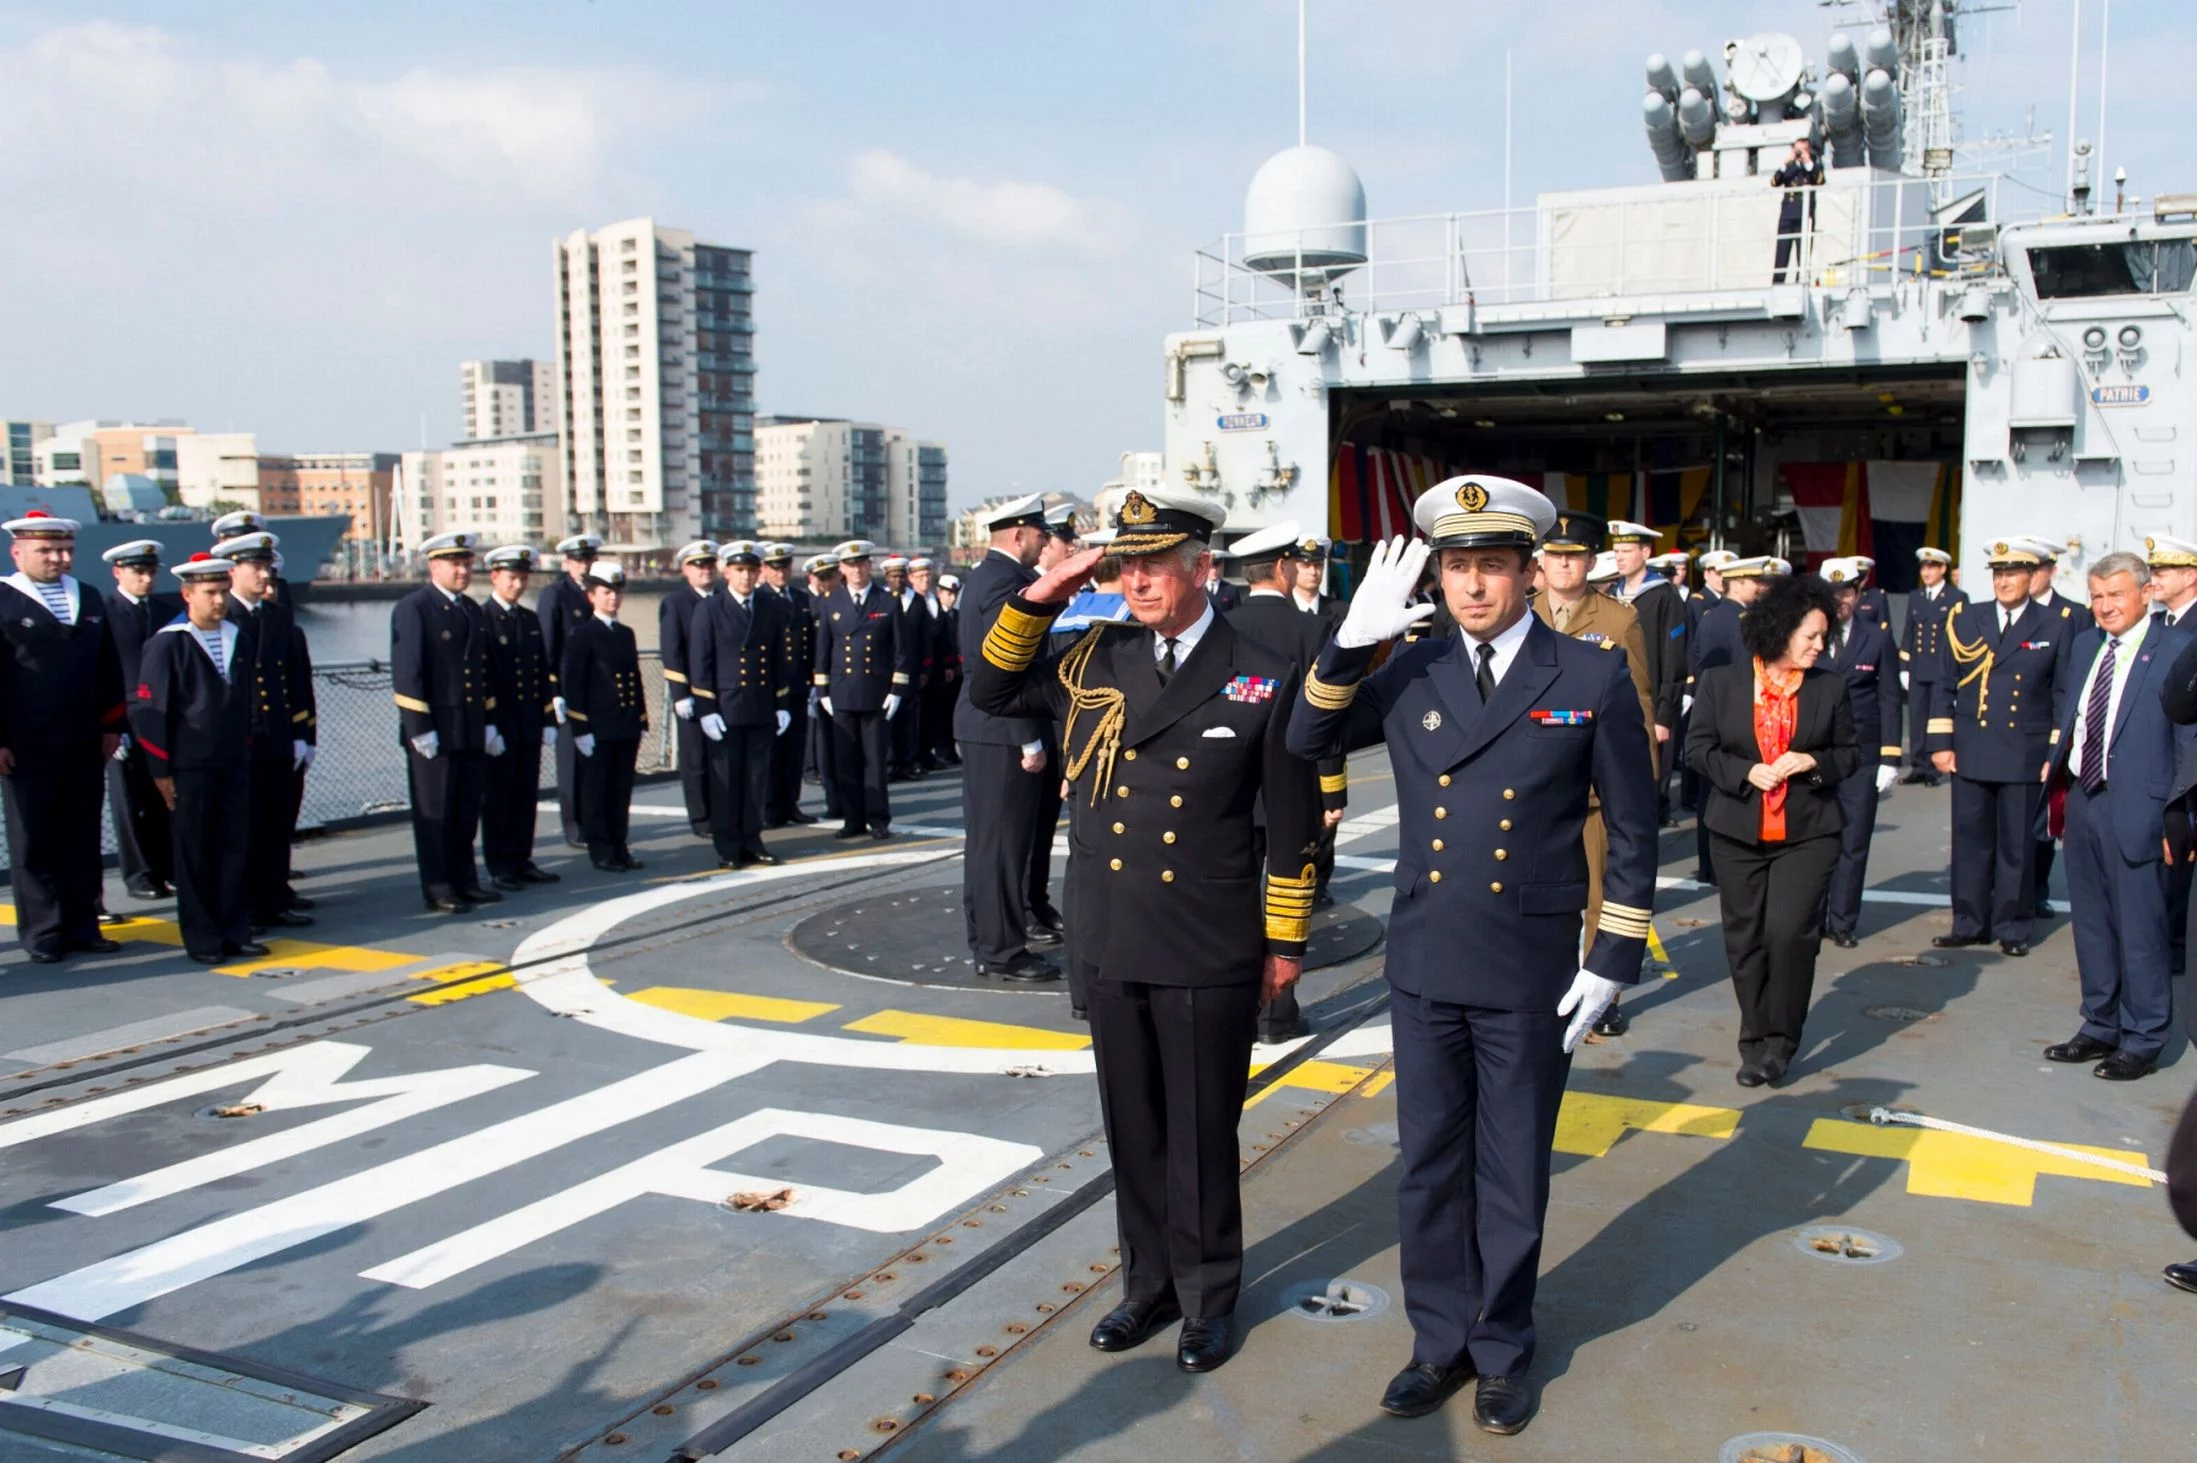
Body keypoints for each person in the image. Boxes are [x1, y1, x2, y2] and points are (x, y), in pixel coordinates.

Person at [1287, 477, 1657, 1435]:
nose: (1474, 585)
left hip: (1530, 965)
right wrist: (1350, 640)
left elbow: (1632, 823)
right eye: (1457, 567)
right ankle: (1435, 1341)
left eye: (1492, 565)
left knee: (1511, 1168)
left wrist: (1613, 950)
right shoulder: (1411, 669)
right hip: (1425, 957)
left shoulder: (1588, 674)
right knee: (1427, 1165)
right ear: (1439, 578)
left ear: (1529, 572)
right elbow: (1305, 734)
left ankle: (1499, 1347)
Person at [970, 484, 1320, 1379]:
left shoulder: (1259, 668)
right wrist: (1044, 591)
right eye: (1126, 566)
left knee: (1200, 1131)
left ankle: (1206, 1297)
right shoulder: (1095, 653)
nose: (1137, 581)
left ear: (1201, 568)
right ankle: (1147, 1285)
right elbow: (990, 685)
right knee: (1132, 1127)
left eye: (1155, 565)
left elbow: (1291, 822)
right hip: (1111, 927)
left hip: (1205, 932)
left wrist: (1285, 944)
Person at [1686, 572, 1856, 1085]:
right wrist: (1744, 772)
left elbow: (1849, 754)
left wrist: (1811, 761)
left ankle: (1781, 1041)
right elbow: (1697, 750)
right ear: (1780, 630)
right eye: (1810, 635)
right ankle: (1754, 1038)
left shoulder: (1829, 687)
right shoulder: (1723, 683)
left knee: (1788, 934)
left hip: (1808, 832)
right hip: (1737, 830)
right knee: (1745, 939)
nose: (1819, 646)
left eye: (1824, 636)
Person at [2043, 552, 2192, 1081]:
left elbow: (2188, 741)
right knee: (2091, 923)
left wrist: (2180, 816)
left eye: (2116, 595)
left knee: (2140, 928)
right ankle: (2099, 1023)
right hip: (2084, 799)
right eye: (2098, 596)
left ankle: (2144, 1036)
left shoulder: (2177, 650)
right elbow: (2076, 716)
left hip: (2140, 807)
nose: (2105, 606)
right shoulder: (2087, 645)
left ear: (2146, 594)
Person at [1224, 521, 1354, 1044]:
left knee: (1231, 901)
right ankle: (1276, 1014)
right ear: (1283, 568)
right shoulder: (1311, 631)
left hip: (1227, 786)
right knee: (1284, 899)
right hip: (1291, 784)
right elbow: (1326, 717)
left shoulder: (1219, 625)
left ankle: (1232, 1004)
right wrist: (1333, 789)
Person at [1532, 510, 1657, 1037]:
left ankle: (1601, 995)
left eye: (1575, 556)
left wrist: (1640, 787)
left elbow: (1640, 704)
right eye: (1555, 555)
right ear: (1541, 560)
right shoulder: (1520, 611)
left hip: (1591, 787)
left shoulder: (1618, 620)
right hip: (1530, 784)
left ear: (1590, 561)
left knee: (1599, 898)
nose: (1564, 565)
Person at [1926, 538, 2076, 957]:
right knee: (1970, 840)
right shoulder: (1966, 618)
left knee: (2017, 846)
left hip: (2025, 751)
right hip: (1972, 746)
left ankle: (2013, 926)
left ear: (2032, 577)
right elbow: (1944, 683)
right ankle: (1969, 922)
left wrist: (2054, 754)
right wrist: (1940, 742)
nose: (2004, 581)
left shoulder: (2054, 624)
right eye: (1998, 573)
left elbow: (2062, 693)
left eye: (2012, 573)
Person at [0, 511, 126, 964]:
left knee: (81, 834)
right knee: (34, 839)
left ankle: (83, 924)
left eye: (66, 549)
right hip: (26, 742)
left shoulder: (87, 597)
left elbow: (109, 666)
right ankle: (44, 931)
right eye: (47, 550)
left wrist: (112, 725)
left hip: (83, 738)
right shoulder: (4, 599)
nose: (59, 558)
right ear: (18, 552)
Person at [132, 552, 265, 964]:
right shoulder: (168, 643)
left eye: (223, 591)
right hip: (189, 765)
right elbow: (151, 711)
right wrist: (160, 770)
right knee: (194, 853)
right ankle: (203, 937)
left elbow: (246, 698)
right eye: (210, 593)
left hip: (232, 760)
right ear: (188, 594)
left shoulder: (237, 636)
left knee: (233, 847)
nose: (219, 600)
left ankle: (235, 930)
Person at [955, 494, 1065, 983]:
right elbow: (1007, 665)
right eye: (1040, 534)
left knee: (986, 842)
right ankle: (1002, 950)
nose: (1044, 543)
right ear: (1018, 535)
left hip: (984, 727)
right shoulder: (1007, 583)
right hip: (1003, 728)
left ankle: (986, 940)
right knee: (1002, 845)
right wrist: (1028, 739)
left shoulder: (985, 576)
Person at [391, 531, 503, 913]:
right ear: (433, 566)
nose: (462, 571)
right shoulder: (415, 608)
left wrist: (489, 720)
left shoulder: (470, 609)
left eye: (466, 563)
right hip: (435, 731)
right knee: (435, 813)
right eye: (454, 564)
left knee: (465, 811)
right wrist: (419, 728)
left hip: (469, 728)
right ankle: (439, 887)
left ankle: (465, 880)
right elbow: (408, 674)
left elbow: (483, 672)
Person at [214, 529, 316, 932]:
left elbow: (293, 679)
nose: (264, 575)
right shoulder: (223, 618)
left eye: (266, 567)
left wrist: (301, 734)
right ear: (233, 571)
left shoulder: (275, 616)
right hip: (241, 741)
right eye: (255, 567)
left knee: (276, 824)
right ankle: (246, 907)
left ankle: (275, 899)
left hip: (277, 736)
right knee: (245, 828)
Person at [1817, 560, 1903, 948]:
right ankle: (1813, 917)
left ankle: (1842, 921)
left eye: (1847, 592)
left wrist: (1890, 756)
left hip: (1861, 754)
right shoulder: (1806, 633)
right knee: (1815, 839)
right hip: (1815, 753)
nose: (1840, 600)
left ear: (1857, 594)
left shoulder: (1877, 637)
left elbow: (1889, 699)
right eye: (1833, 593)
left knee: (1853, 840)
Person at [692, 540, 790, 870]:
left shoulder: (768, 607)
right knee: (727, 781)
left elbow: (778, 659)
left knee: (756, 780)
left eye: (750, 570)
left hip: (760, 706)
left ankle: (752, 839)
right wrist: (706, 709)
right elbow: (701, 662)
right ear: (727, 573)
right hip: (726, 708)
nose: (746, 577)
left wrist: (782, 702)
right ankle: (728, 846)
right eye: (739, 570)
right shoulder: (710, 609)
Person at [814, 540, 915, 840]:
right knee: (846, 761)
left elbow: (901, 650)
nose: (856, 570)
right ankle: (852, 819)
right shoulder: (831, 602)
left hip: (875, 693)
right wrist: (822, 691)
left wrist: (897, 689)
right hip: (842, 693)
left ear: (870, 566)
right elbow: (823, 650)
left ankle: (878, 818)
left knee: (875, 760)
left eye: (861, 564)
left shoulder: (886, 601)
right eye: (850, 565)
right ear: (842, 569)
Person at [102, 539, 179, 902]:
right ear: (118, 572)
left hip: (164, 717)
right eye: (138, 572)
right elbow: (98, 674)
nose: (147, 579)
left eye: (150, 572)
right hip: (125, 719)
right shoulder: (104, 614)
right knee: (129, 802)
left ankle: (169, 868)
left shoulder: (168, 613)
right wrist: (110, 726)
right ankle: (139, 874)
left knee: (166, 795)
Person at [480, 545, 560, 891]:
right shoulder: (482, 619)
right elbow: (483, 677)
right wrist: (489, 724)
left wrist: (548, 718)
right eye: (512, 578)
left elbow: (541, 672)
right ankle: (500, 864)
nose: (518, 585)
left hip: (528, 722)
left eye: (523, 579)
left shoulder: (528, 620)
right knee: (498, 796)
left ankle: (522, 858)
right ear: (495, 577)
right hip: (501, 724)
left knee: (526, 795)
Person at [2023, 537, 2093, 916]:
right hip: (2016, 730)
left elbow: (2077, 674)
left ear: (2050, 571)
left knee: (2044, 814)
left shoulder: (2074, 614)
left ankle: (2036, 891)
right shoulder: (2011, 612)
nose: (2029, 576)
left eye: (2035, 569)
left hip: (2054, 726)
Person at [564, 558, 648, 871]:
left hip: (625, 723)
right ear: (592, 596)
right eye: (606, 592)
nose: (613, 598)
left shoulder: (625, 633)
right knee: (597, 790)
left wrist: (641, 718)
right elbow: (574, 683)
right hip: (598, 725)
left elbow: (634, 677)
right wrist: (580, 728)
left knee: (620, 790)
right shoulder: (583, 633)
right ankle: (601, 850)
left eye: (617, 592)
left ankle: (619, 845)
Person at [1607, 521, 1686, 823]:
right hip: (1615, 700)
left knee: (1648, 780)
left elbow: (1673, 658)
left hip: (1649, 703)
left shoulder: (1664, 595)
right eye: (1616, 551)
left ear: (1645, 552)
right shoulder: (1612, 592)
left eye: (1627, 551)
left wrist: (1664, 714)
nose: (1620, 557)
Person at [2149, 535, 2197, 973]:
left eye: (2162, 571)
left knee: (2180, 863)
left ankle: (2177, 947)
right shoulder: (2156, 625)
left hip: (2186, 766)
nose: (2154, 578)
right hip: (2154, 760)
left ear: (2190, 576)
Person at [538, 532, 603, 848]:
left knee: (594, 761)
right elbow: (547, 648)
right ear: (566, 563)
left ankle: (594, 820)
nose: (584, 565)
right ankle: (574, 825)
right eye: (578, 560)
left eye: (588, 559)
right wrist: (553, 692)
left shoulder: (597, 593)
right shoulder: (555, 595)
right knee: (571, 763)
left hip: (596, 690)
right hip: (567, 691)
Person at [758, 543, 821, 826]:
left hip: (797, 684)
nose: (780, 572)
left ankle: (790, 803)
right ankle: (770, 806)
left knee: (795, 749)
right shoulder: (759, 599)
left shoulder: (800, 598)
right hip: (771, 687)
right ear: (765, 569)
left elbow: (811, 644)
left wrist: (814, 681)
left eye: (784, 566)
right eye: (775, 567)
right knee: (772, 750)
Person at [660, 540, 719, 837]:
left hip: (723, 693)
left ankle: (722, 812)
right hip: (693, 696)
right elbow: (672, 651)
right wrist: (681, 694)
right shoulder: (676, 603)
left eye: (709, 564)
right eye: (698, 565)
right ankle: (701, 817)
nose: (705, 570)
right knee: (696, 760)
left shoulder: (723, 599)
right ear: (685, 570)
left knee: (722, 759)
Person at [1901, 547, 1962, 786]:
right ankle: (1918, 766)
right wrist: (1904, 666)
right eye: (1924, 568)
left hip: (1942, 668)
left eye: (1932, 567)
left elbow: (1959, 636)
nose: (1926, 572)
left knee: (1937, 718)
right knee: (1917, 719)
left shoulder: (1956, 597)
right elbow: (1909, 632)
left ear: (1943, 569)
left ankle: (1933, 769)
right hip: (1919, 667)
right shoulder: (1916, 597)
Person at [802, 553, 845, 822]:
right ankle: (834, 800)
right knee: (826, 746)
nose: (825, 583)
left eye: (830, 577)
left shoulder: (849, 603)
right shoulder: (811, 606)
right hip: (822, 685)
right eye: (821, 578)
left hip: (846, 682)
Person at [881, 554, 928, 782]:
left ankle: (908, 762)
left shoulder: (916, 601)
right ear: (886, 577)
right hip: (886, 669)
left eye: (901, 576)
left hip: (911, 667)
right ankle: (890, 763)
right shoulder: (880, 600)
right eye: (893, 576)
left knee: (909, 717)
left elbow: (925, 637)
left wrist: (925, 669)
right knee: (888, 716)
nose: (897, 580)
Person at [908, 557, 957, 770]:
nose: (925, 580)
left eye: (927, 576)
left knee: (933, 712)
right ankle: (915, 756)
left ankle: (928, 754)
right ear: (911, 578)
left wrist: (948, 664)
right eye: (920, 576)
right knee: (916, 715)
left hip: (936, 667)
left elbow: (944, 636)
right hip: (918, 667)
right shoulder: (909, 602)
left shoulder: (934, 601)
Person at [1771, 138, 1823, 282]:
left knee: (1803, 255)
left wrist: (1807, 161)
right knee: (1781, 254)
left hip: (1804, 216)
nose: (1799, 153)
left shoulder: (1813, 166)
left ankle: (1801, 282)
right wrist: (1785, 163)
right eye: (1797, 150)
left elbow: (1820, 180)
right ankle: (1778, 283)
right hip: (1787, 215)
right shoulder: (1789, 167)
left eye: (1803, 150)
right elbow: (1774, 182)